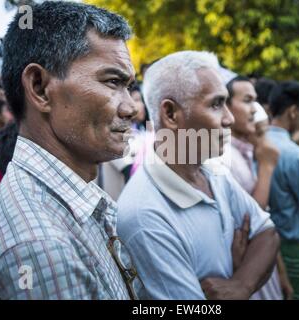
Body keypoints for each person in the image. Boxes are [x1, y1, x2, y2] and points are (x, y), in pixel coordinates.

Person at [0, 1, 144, 300]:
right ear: (40, 88)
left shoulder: (66, 208)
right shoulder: (41, 250)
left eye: (128, 86)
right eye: (112, 82)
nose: (131, 107)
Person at [118, 51, 280, 300]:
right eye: (216, 104)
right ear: (170, 114)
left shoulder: (213, 172)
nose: (229, 118)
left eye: (226, 102)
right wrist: (240, 272)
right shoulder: (145, 215)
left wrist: (240, 284)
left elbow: (267, 233)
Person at [225, 75, 293, 300]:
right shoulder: (226, 157)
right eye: (246, 100)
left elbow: (266, 223)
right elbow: (252, 219)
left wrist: (281, 273)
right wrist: (266, 168)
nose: (254, 109)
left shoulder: (245, 152)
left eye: (255, 101)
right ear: (225, 106)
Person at [266, 81, 299, 300]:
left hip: (265, 244)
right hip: (294, 243)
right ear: (293, 111)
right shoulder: (295, 154)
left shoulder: (257, 143)